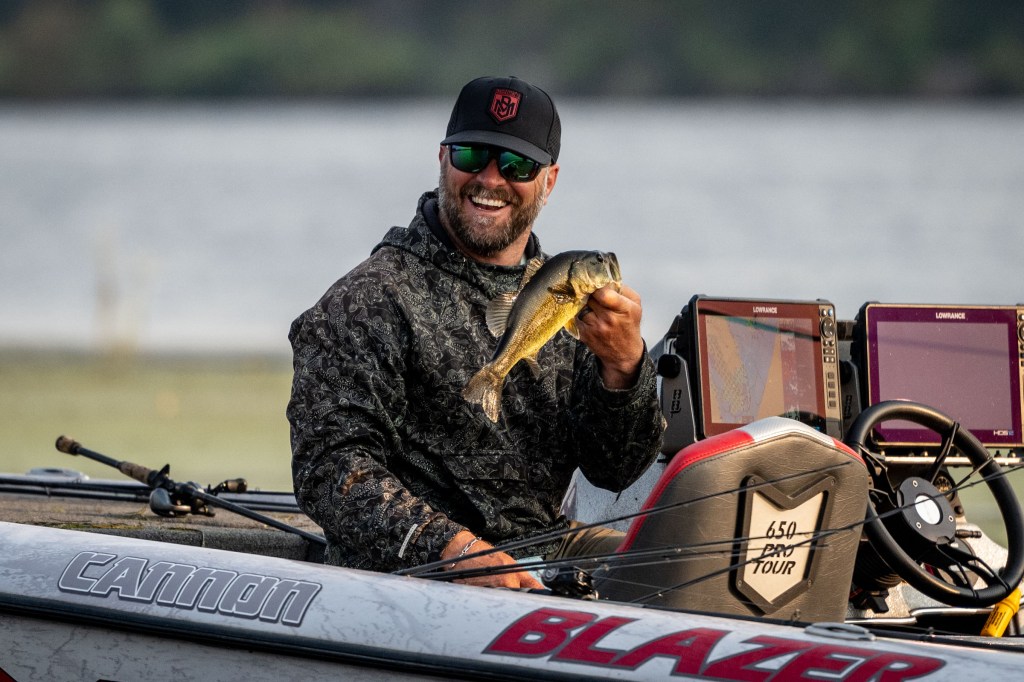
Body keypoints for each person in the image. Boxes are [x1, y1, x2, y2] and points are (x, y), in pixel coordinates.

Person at [287, 75, 664, 589]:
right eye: (472, 156)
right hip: (413, 577)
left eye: (516, 165)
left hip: (547, 552)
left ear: (549, 180)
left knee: (675, 565)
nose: (490, 179)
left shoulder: (572, 301)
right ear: (443, 158)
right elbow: (330, 470)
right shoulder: (367, 301)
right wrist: (455, 551)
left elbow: (614, 471)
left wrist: (624, 369)